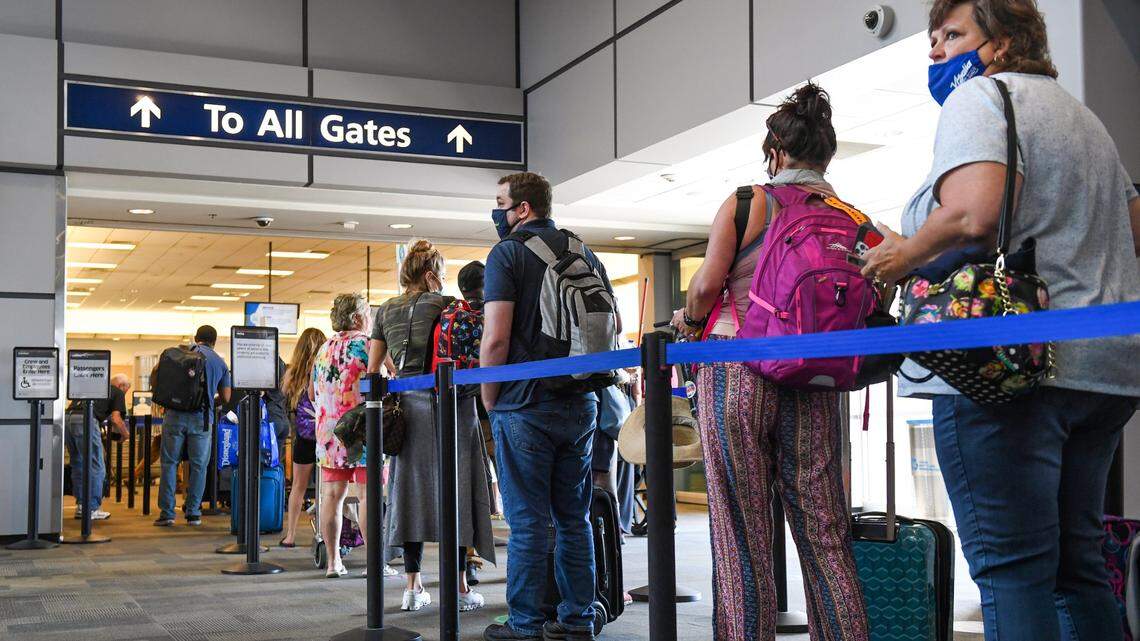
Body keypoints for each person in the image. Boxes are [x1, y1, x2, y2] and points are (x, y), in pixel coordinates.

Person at [860, 1, 1140, 638]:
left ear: (1004, 43)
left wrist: (900, 255)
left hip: (1009, 369)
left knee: (1013, 570)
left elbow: (973, 215)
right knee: (1079, 570)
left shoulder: (981, 98)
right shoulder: (1087, 121)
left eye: (953, 35)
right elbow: (1132, 231)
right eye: (932, 38)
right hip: (1106, 369)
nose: (935, 50)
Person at [671, 83, 869, 640]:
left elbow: (707, 286)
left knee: (741, 531)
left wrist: (687, 322)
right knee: (826, 532)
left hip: (738, 370)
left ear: (775, 150)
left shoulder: (748, 202)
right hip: (816, 374)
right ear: (825, 154)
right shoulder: (848, 215)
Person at [481, 172, 613, 641]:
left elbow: (495, 337)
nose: (495, 211)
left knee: (528, 523)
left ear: (522, 208)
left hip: (524, 403)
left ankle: (525, 624)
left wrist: (490, 398)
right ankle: (578, 618)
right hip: (582, 401)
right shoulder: (582, 250)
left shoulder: (507, 253)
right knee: (572, 518)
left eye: (500, 202)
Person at [369, 240, 493, 613]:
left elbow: (374, 366)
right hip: (450, 405)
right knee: (456, 490)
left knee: (409, 495)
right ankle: (458, 586)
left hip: (407, 411)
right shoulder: (445, 304)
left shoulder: (385, 310)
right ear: (430, 275)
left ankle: (413, 587)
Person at [312, 294, 372, 578]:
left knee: (332, 496)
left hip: (329, 433)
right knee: (366, 495)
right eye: (369, 313)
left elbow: (313, 393)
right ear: (358, 317)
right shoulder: (367, 346)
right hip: (362, 430)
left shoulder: (323, 349)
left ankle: (334, 562)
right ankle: (374, 563)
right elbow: (389, 378)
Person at [155, 326, 231, 527]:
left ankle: (167, 513)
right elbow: (226, 397)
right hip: (202, 419)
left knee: (169, 464)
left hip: (174, 415)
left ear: (196, 338)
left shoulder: (180, 353)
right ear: (214, 341)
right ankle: (193, 512)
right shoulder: (219, 362)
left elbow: (158, 378)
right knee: (199, 466)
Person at [278, 327, 327, 548]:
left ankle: (291, 535)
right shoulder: (326, 368)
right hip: (326, 434)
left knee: (298, 486)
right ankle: (328, 533)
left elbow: (287, 399)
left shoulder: (292, 373)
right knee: (329, 488)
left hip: (304, 436)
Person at [65, 373, 131, 521]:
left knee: (78, 464)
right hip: (86, 420)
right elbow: (116, 419)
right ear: (122, 386)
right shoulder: (117, 392)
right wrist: (126, 435)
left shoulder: (95, 387)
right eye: (126, 389)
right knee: (96, 466)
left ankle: (82, 506)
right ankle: (92, 508)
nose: (125, 393)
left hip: (68, 419)